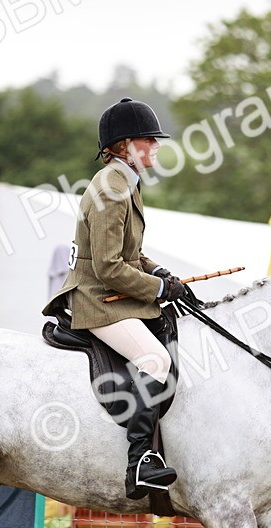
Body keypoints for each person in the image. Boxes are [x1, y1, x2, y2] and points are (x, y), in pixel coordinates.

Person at [44, 97, 186, 500]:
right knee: (155, 359)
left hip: (112, 293)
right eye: (148, 140)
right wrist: (158, 290)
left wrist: (161, 272)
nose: (156, 146)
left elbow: (131, 254)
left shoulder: (125, 182)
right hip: (96, 298)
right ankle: (140, 461)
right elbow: (108, 267)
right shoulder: (111, 188)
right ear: (124, 145)